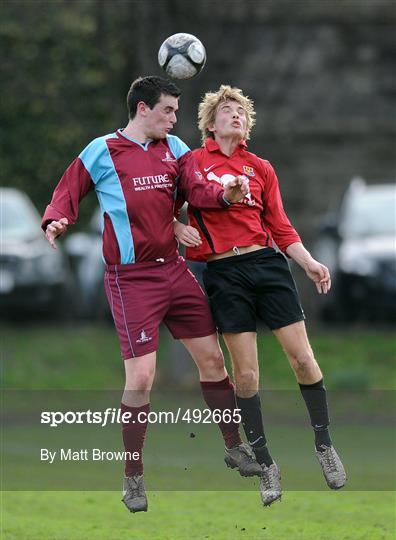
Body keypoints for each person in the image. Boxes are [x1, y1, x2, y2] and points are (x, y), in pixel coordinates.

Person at [41, 76, 259, 513]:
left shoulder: (176, 151)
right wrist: (56, 219)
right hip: (130, 279)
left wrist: (214, 198)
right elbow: (69, 191)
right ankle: (133, 476)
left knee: (214, 361)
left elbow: (196, 189)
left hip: (174, 272)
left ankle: (234, 447)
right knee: (141, 379)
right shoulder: (102, 150)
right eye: (168, 111)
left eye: (177, 113)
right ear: (143, 109)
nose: (175, 120)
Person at [174, 84, 346, 506]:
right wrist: (177, 227)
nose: (237, 116)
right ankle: (267, 463)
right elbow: (171, 204)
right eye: (228, 111)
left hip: (267, 265)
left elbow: (281, 226)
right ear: (210, 124)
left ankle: (324, 445)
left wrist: (308, 261)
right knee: (247, 375)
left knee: (303, 360)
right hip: (222, 273)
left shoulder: (260, 167)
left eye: (242, 113)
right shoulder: (193, 163)